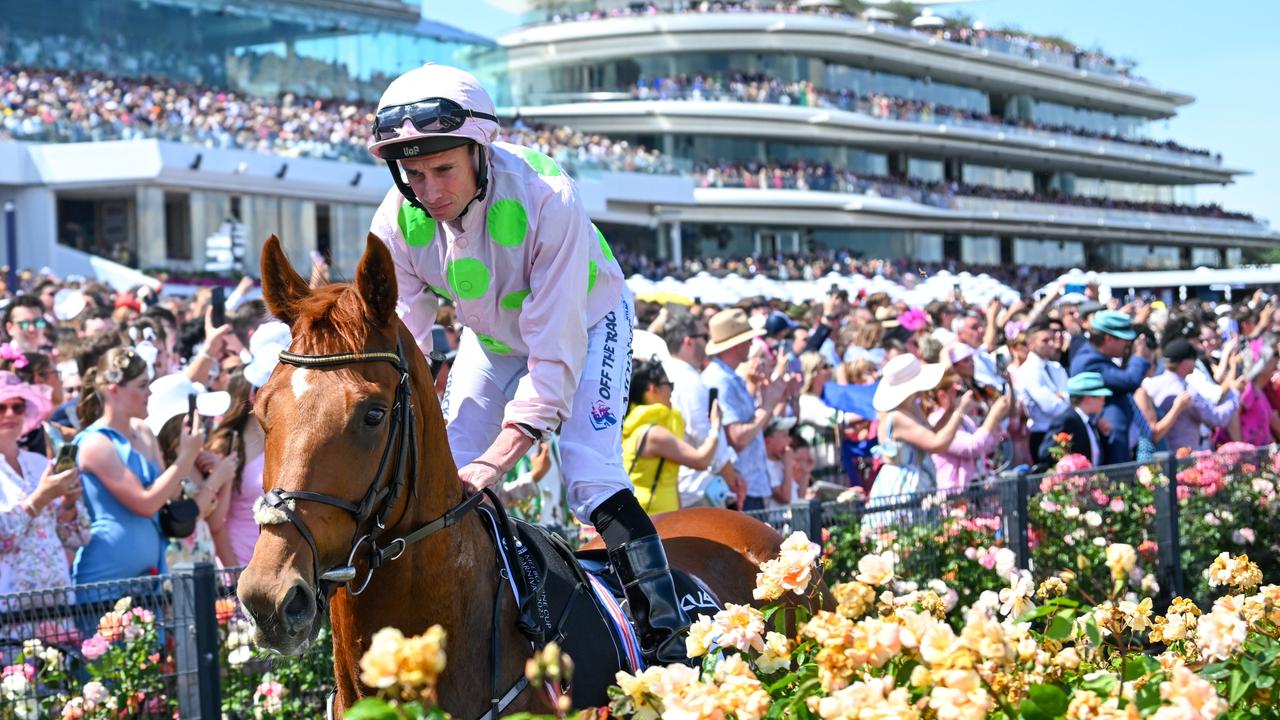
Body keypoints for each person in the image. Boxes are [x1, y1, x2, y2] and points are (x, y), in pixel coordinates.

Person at [365, 63, 686, 664]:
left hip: (587, 320)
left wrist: (504, 456)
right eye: (413, 173)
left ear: (481, 150)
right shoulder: (396, 220)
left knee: (589, 474)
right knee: (449, 473)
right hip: (491, 337)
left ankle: (668, 650)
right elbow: (402, 346)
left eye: (442, 170)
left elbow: (555, 350)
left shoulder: (548, 195)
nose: (429, 191)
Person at [72, 348, 202, 585]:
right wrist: (185, 457)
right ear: (114, 390)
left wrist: (187, 452)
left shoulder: (143, 432)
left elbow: (170, 494)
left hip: (150, 575)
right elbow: (145, 503)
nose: (149, 391)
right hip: (105, 578)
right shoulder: (96, 443)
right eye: (142, 385)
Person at [0, 372, 89, 594]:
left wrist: (69, 504)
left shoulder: (40, 463)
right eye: (1, 407)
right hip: (9, 610)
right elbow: (3, 538)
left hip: (57, 602)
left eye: (17, 407)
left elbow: (78, 538)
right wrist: (42, 497)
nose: (10, 414)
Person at [702, 308, 790, 512]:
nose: (752, 343)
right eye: (747, 338)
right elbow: (738, 438)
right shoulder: (720, 380)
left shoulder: (728, 378)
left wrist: (768, 398)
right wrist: (768, 405)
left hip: (746, 486)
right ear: (736, 343)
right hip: (740, 489)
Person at [660, 312, 741, 509]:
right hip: (697, 492)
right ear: (688, 342)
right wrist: (733, 480)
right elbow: (706, 438)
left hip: (683, 489)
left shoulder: (666, 373)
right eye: (704, 337)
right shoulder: (688, 380)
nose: (707, 344)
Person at [621, 359, 721, 513]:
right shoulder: (653, 434)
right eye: (669, 385)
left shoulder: (635, 426)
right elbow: (701, 460)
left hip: (656, 515)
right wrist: (715, 425)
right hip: (654, 517)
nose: (671, 391)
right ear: (652, 389)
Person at [869, 354, 971, 500]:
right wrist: (959, 411)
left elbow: (932, 434)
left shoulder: (912, 408)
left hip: (918, 484)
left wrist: (951, 410)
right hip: (902, 488)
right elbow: (936, 444)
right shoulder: (897, 416)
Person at [1068, 310, 1152, 464]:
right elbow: (1130, 381)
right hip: (1112, 448)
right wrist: (1139, 356)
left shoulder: (1097, 357)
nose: (1127, 344)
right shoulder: (1089, 361)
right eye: (1123, 339)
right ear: (1108, 339)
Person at [1138, 337, 1241, 454]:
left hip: (1159, 457)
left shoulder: (1150, 385)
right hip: (1186, 458)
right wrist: (1235, 397)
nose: (1195, 363)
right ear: (1185, 362)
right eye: (1193, 359)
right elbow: (1217, 418)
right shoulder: (1186, 391)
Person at [925, 370, 1009, 492]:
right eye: (958, 392)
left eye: (964, 388)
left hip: (975, 492)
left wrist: (995, 419)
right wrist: (994, 416)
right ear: (942, 395)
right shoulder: (936, 420)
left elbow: (988, 446)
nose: (966, 394)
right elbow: (972, 447)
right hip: (954, 496)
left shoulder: (965, 419)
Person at [1014, 319, 1070, 453]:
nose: (1052, 344)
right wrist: (1063, 397)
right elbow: (1052, 407)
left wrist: (1063, 397)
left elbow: (1072, 397)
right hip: (1043, 435)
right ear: (1031, 344)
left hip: (1064, 430)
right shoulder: (1028, 371)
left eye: (1052, 339)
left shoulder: (1056, 368)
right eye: (1045, 341)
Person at [1036, 372, 1111, 466]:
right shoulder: (1067, 420)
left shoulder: (1090, 422)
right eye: (1101, 397)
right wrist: (1070, 464)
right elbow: (1045, 453)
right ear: (1087, 398)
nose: (1103, 402)